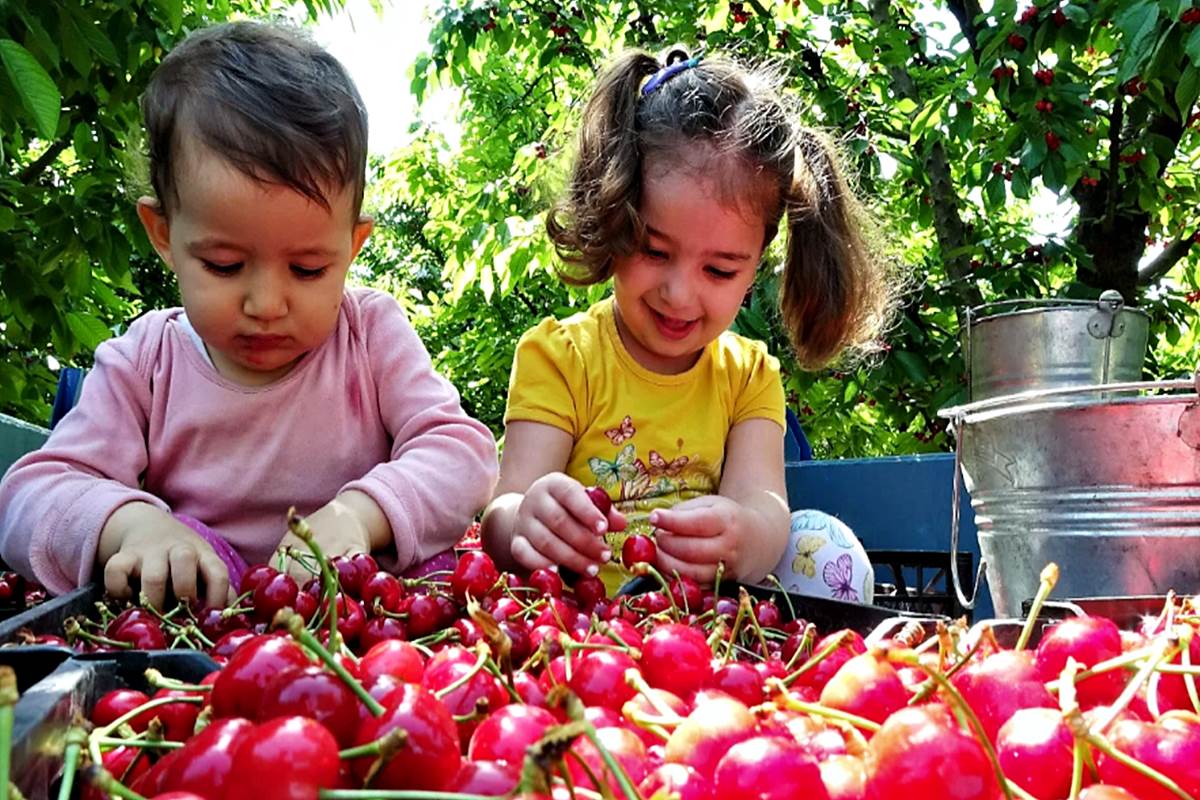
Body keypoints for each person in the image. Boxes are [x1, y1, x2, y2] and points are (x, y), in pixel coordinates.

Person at [0, 21, 499, 609]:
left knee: (443, 577)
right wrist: (134, 525)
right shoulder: (146, 361)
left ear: (352, 245)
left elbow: (463, 452)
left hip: (358, 619)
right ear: (163, 234)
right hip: (199, 634)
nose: (266, 305)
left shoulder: (370, 336)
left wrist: (362, 516)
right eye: (225, 264)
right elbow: (30, 496)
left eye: (309, 269)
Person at [481, 48, 894, 599]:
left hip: (713, 631)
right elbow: (502, 514)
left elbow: (766, 508)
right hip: (578, 628)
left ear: (757, 264)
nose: (679, 294)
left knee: (828, 546)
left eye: (719, 269)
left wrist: (745, 537)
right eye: (653, 252)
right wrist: (527, 520)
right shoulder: (561, 357)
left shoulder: (748, 375)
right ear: (613, 220)